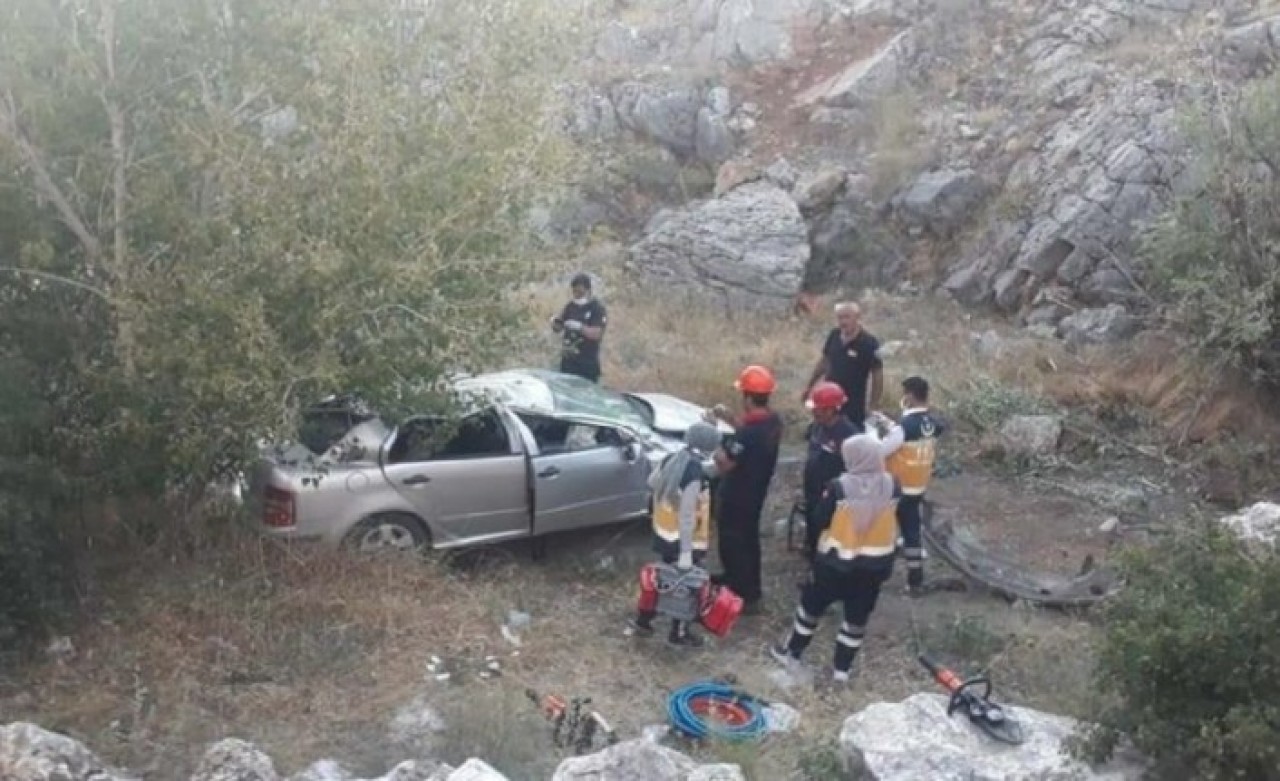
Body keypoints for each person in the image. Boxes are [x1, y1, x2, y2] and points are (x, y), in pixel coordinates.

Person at [771, 433, 900, 683]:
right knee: (856, 620)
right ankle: (842, 671)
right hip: (874, 567)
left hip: (835, 563)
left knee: (810, 609)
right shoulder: (893, 484)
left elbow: (819, 519)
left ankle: (793, 654)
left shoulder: (839, 487)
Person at [629, 421, 722, 647]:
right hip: (684, 542)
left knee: (662, 579)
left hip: (663, 534)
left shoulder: (673, 459)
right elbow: (687, 516)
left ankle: (643, 621)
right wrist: (687, 553)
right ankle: (678, 632)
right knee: (687, 587)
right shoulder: (694, 473)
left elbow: (652, 482)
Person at [706, 365, 784, 615]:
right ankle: (749, 585)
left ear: (748, 397)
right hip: (755, 493)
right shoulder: (773, 422)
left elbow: (725, 462)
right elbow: (748, 433)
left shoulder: (749, 434)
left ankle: (739, 591)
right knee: (749, 542)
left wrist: (714, 436)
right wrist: (730, 419)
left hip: (737, 496)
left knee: (733, 543)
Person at [875, 376, 946, 596]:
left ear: (911, 396)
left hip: (897, 486)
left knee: (883, 531)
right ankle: (915, 580)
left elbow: (882, 451)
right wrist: (890, 424)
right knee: (912, 532)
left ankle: (878, 575)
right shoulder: (931, 423)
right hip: (918, 486)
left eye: (904, 393)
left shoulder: (904, 428)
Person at [800, 302, 884, 432]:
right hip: (828, 400)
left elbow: (877, 375)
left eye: (847, 317)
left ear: (857, 317)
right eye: (839, 317)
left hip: (853, 404)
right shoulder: (834, 335)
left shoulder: (869, 343)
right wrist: (810, 386)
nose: (843, 321)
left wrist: (873, 405)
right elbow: (824, 361)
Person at [800, 382, 858, 560]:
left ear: (831, 410)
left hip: (833, 495)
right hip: (813, 490)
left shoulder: (848, 434)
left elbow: (854, 468)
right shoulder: (818, 427)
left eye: (817, 409)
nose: (813, 412)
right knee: (813, 525)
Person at [550, 273, 607, 383]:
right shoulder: (570, 307)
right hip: (569, 361)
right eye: (575, 292)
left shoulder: (597, 308)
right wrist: (555, 323)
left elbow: (597, 333)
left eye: (580, 292)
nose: (577, 295)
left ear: (588, 290)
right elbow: (560, 326)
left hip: (587, 362)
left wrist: (580, 327)